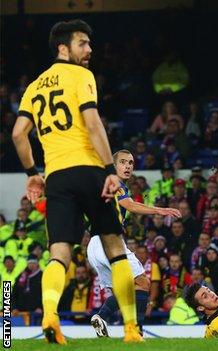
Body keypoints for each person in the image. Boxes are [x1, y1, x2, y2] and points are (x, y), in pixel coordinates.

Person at [11, 19, 141, 343]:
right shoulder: (81, 76)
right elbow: (93, 123)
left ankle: (51, 318)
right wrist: (111, 169)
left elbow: (17, 134)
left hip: (56, 177)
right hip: (89, 171)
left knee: (58, 255)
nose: (89, 50)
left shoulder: (34, 87)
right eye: (82, 43)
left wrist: (32, 175)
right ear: (63, 48)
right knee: (115, 249)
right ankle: (130, 329)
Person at [88, 149, 181, 337]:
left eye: (130, 163)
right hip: (109, 242)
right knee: (143, 283)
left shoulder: (104, 184)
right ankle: (135, 331)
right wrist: (159, 210)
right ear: (114, 166)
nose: (128, 166)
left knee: (123, 292)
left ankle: (104, 319)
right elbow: (130, 204)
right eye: (123, 162)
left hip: (94, 245)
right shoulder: (116, 184)